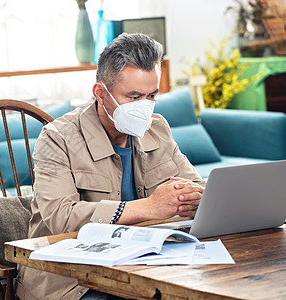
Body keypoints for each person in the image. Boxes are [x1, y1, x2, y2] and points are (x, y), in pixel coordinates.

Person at [15, 33, 206, 300]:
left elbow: (198, 189)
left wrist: (196, 198)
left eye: (152, 95)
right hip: (74, 280)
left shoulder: (158, 128)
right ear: (101, 93)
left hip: (143, 268)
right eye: (134, 96)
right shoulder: (57, 138)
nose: (145, 107)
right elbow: (61, 217)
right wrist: (151, 206)